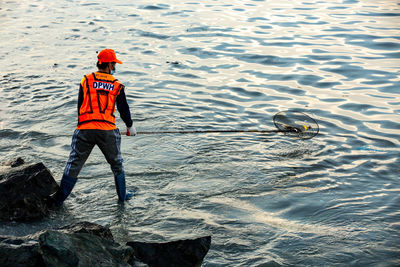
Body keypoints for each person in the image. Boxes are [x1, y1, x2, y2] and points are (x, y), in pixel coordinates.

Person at [51, 48, 136, 206]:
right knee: (117, 164)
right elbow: (123, 109)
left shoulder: (86, 80)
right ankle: (122, 198)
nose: (114, 67)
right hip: (107, 131)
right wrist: (130, 126)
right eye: (114, 64)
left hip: (85, 129)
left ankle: (58, 201)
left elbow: (80, 105)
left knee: (74, 164)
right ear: (109, 65)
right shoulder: (117, 85)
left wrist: (82, 126)